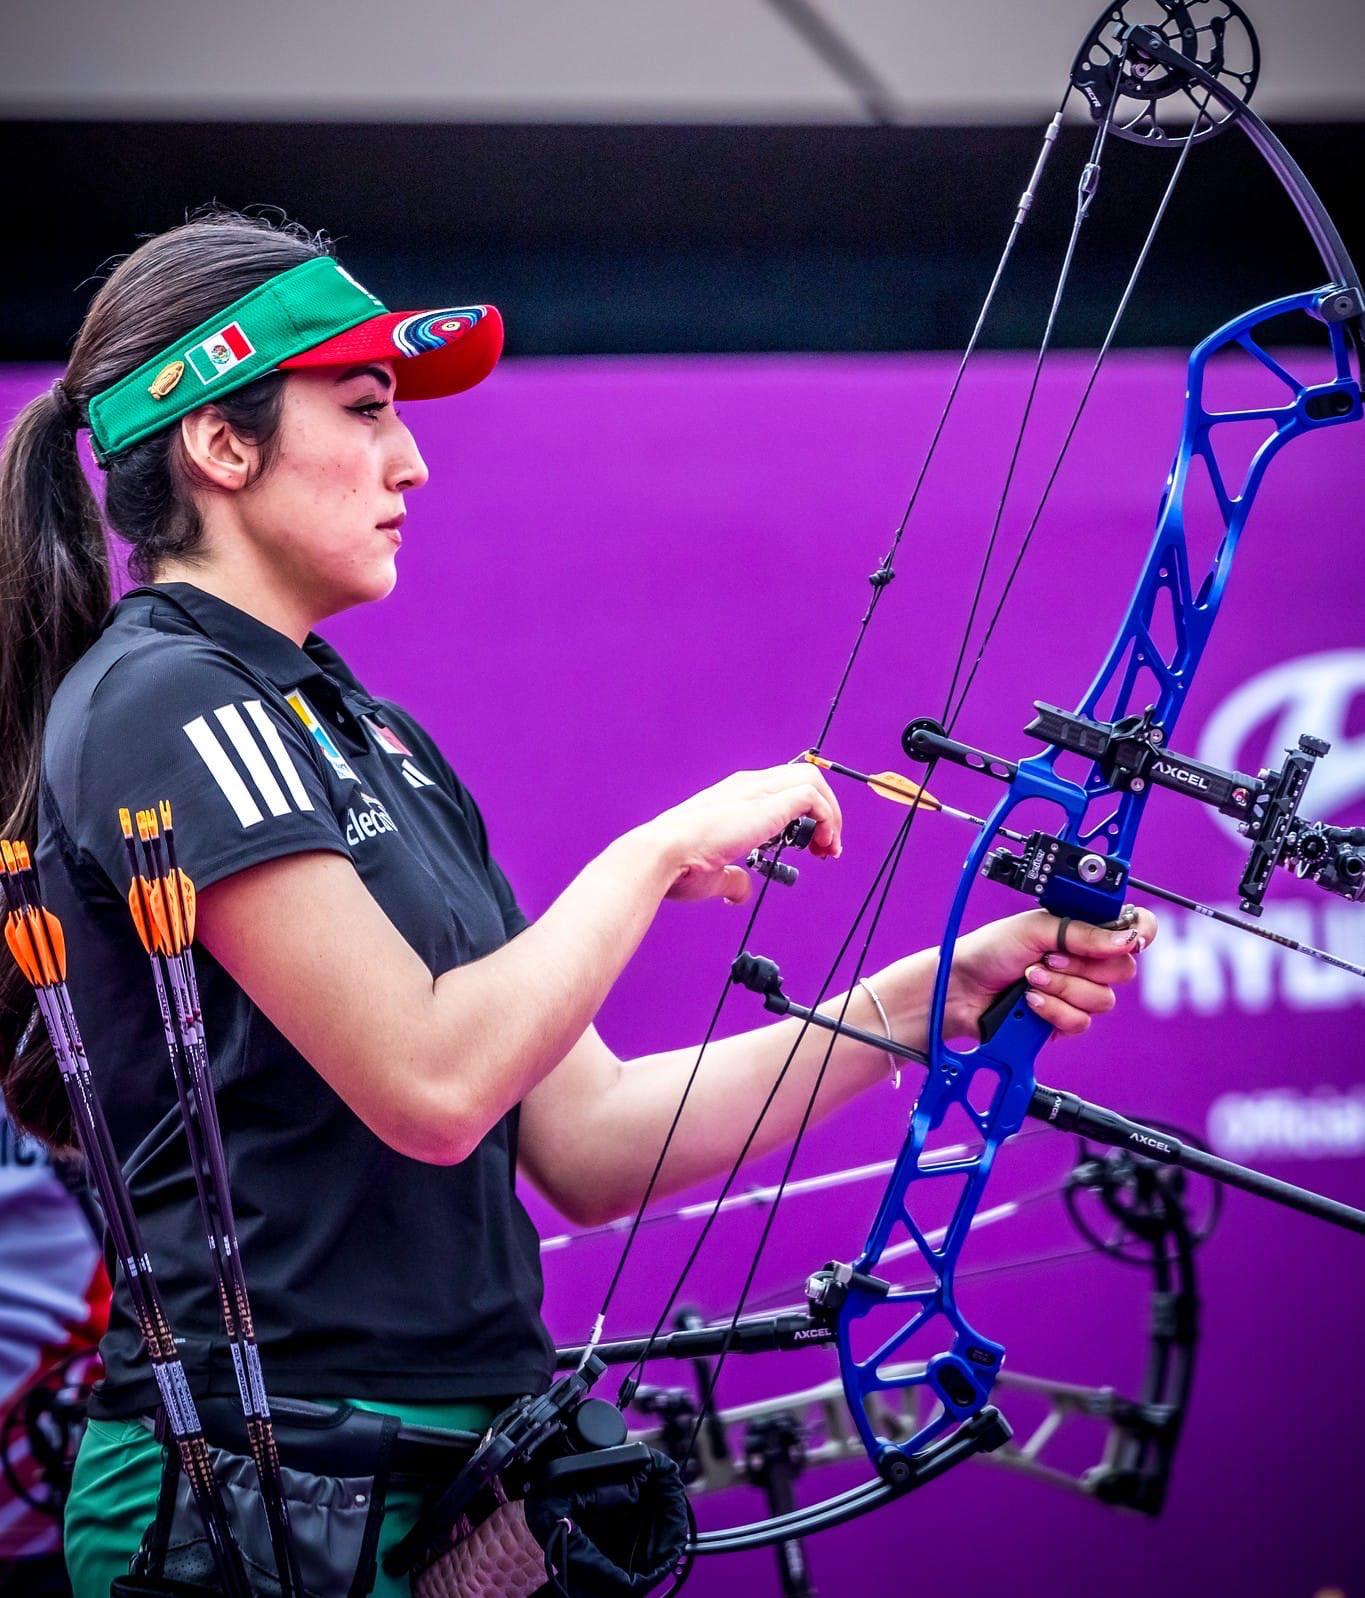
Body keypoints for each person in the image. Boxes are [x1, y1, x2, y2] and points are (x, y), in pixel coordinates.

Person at [0, 210, 1155, 1596]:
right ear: (220, 443)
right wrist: (654, 850)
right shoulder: (164, 693)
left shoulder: (374, 739)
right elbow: (430, 1080)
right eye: (363, 411)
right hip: (251, 1495)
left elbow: (591, 1139)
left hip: (440, 1477)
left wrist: (928, 996)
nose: (411, 460)